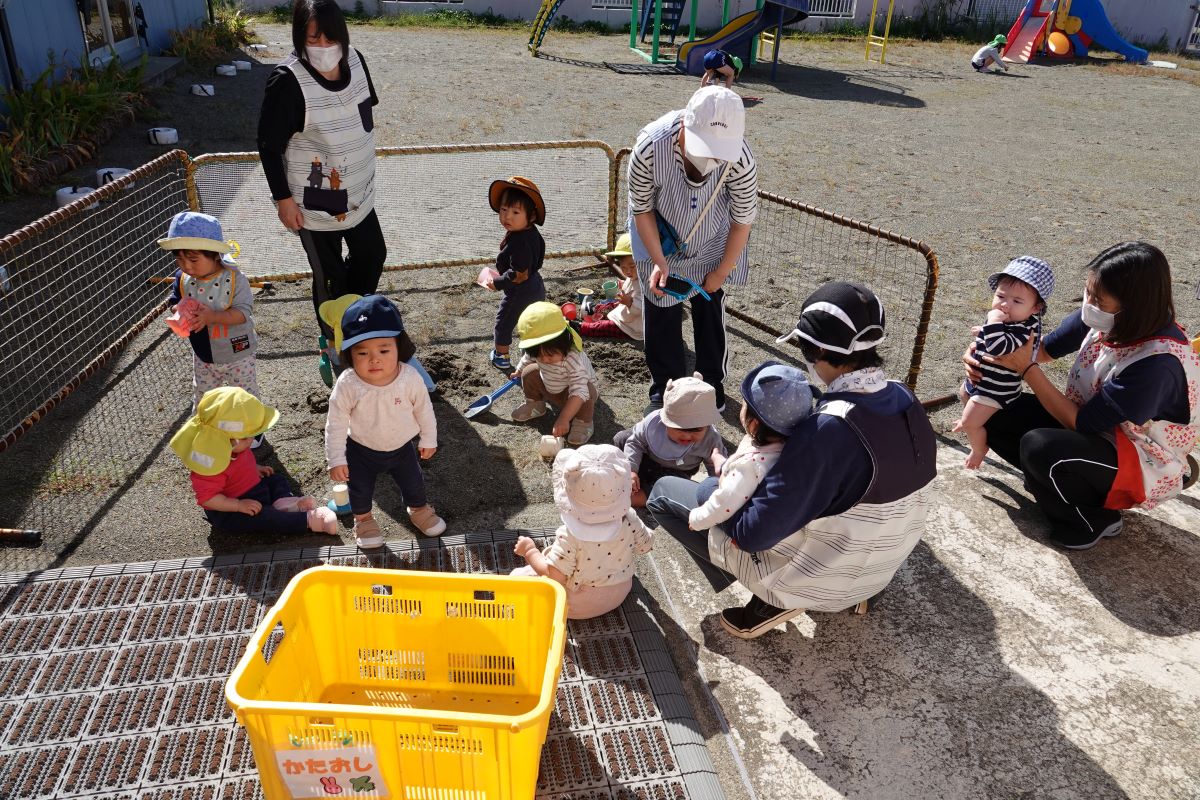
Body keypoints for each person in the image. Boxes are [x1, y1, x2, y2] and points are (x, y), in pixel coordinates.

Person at [647, 282, 937, 639]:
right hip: (881, 567)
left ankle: (770, 597)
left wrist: (715, 492)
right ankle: (854, 592)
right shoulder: (905, 394)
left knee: (669, 492)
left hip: (827, 577)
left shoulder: (827, 428)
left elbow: (754, 533)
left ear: (814, 349)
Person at [966, 241, 1200, 550]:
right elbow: (1042, 349)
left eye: (1098, 299)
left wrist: (1028, 370)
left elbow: (1083, 422)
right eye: (1088, 292)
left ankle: (1093, 518)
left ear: (1134, 304)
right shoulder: (1105, 318)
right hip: (1098, 431)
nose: (1088, 303)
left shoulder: (1158, 363)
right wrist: (983, 355)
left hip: (1139, 458)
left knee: (1040, 449)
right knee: (990, 410)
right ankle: (1062, 483)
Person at [257, 0, 385, 339]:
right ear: (300, 38)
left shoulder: (356, 60)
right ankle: (332, 342)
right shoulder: (287, 81)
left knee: (372, 255)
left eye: (331, 38)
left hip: (358, 193)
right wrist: (283, 199)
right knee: (330, 277)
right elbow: (269, 146)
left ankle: (354, 320)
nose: (324, 48)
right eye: (313, 39)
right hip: (315, 201)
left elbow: (363, 113)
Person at [628, 85, 759, 412]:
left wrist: (721, 270)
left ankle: (710, 383)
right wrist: (659, 260)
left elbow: (742, 220)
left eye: (718, 152)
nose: (709, 160)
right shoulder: (649, 147)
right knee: (660, 304)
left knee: (709, 305)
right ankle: (665, 389)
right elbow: (641, 208)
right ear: (685, 125)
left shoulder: (740, 159)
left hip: (712, 239)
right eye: (703, 148)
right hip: (662, 236)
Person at [325, 295, 445, 548]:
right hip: (360, 448)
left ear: (399, 347)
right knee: (360, 488)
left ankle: (419, 509)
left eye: (384, 349)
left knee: (413, 482)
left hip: (402, 446)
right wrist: (336, 458)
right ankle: (364, 519)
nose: (374, 359)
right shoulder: (348, 384)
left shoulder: (409, 377)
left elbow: (424, 409)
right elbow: (335, 422)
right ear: (348, 354)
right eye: (362, 352)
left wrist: (428, 438)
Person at [171, 387, 338, 536]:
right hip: (230, 510)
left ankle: (283, 502)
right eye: (246, 437)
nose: (251, 439)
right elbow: (208, 499)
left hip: (253, 487)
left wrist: (255, 468)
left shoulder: (235, 446)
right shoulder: (208, 464)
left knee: (276, 479)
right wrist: (238, 505)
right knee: (265, 517)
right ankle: (308, 520)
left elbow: (240, 465)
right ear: (227, 441)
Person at [511, 445, 654, 619]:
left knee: (518, 577)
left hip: (576, 605)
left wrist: (529, 551)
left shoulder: (570, 536)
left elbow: (552, 575)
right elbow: (645, 546)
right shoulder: (629, 517)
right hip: (620, 592)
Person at [954, 256, 1054, 469]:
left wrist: (992, 322)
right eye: (1000, 295)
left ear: (1035, 309)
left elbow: (999, 347)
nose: (1005, 304)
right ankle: (972, 422)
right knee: (963, 393)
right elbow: (993, 336)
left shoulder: (1023, 330)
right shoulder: (1007, 320)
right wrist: (986, 329)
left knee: (971, 421)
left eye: (1017, 301)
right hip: (983, 382)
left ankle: (979, 448)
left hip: (997, 390)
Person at [688, 362, 814, 531]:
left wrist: (696, 520)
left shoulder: (750, 466)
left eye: (744, 405)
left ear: (753, 425)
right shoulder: (787, 445)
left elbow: (723, 503)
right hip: (754, 496)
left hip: (742, 509)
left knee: (705, 488)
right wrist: (723, 463)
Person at [159, 211, 259, 415]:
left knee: (244, 394)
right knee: (204, 395)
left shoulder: (234, 279)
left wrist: (211, 317)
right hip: (203, 353)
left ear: (214, 255)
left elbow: (242, 313)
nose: (186, 266)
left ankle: (251, 431)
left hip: (237, 351)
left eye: (193, 260)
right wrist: (179, 310)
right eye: (179, 260)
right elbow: (174, 301)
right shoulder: (182, 278)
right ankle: (205, 429)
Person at [614, 373, 726, 508]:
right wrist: (631, 470)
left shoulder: (710, 438)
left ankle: (638, 497)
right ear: (666, 421)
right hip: (646, 457)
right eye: (680, 429)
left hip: (676, 472)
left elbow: (716, 467)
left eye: (696, 431)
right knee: (622, 438)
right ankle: (623, 477)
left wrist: (718, 489)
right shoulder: (653, 422)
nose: (687, 436)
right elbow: (635, 443)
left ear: (706, 425)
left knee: (672, 490)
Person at [510, 302, 599, 446]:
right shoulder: (539, 350)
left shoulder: (572, 357)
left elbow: (579, 390)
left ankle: (583, 422)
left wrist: (563, 418)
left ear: (563, 343)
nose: (544, 359)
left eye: (550, 356)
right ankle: (535, 404)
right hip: (551, 386)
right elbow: (527, 358)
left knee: (587, 390)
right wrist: (519, 371)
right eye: (539, 355)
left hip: (577, 395)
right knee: (529, 372)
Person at [483, 177, 547, 370]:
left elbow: (519, 274)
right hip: (537, 286)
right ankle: (535, 354)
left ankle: (501, 356)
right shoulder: (531, 233)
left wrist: (497, 282)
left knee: (504, 322)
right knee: (532, 322)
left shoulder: (520, 242)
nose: (507, 217)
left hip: (520, 291)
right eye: (503, 210)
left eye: (515, 212)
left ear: (532, 216)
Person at [581, 233, 644, 341]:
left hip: (632, 327)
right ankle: (592, 313)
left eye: (632, 266)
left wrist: (629, 302)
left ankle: (579, 327)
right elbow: (629, 289)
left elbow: (640, 309)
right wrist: (624, 285)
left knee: (603, 327)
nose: (628, 271)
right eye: (623, 267)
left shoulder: (645, 284)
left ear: (644, 261)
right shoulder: (634, 276)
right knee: (606, 306)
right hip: (625, 314)